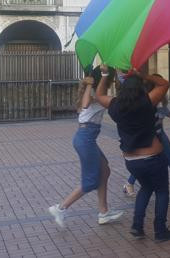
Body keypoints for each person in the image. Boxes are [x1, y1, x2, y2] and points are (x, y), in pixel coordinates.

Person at [96, 66, 170, 242]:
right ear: (141, 87)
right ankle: (160, 230)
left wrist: (104, 74)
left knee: (146, 188)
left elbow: (99, 95)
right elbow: (164, 84)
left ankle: (137, 226)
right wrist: (142, 74)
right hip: (153, 156)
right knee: (162, 191)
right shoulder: (148, 101)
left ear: (123, 89)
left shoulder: (115, 105)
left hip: (132, 160)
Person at [48, 68, 124, 228]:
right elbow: (86, 103)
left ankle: (104, 212)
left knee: (105, 171)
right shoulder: (95, 93)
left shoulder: (96, 92)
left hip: (86, 138)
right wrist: (99, 78)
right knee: (90, 181)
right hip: (85, 139)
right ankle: (60, 208)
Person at [123, 75, 170, 197]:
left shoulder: (160, 102)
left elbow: (166, 112)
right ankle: (129, 183)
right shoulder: (147, 101)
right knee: (145, 160)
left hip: (160, 134)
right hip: (150, 136)